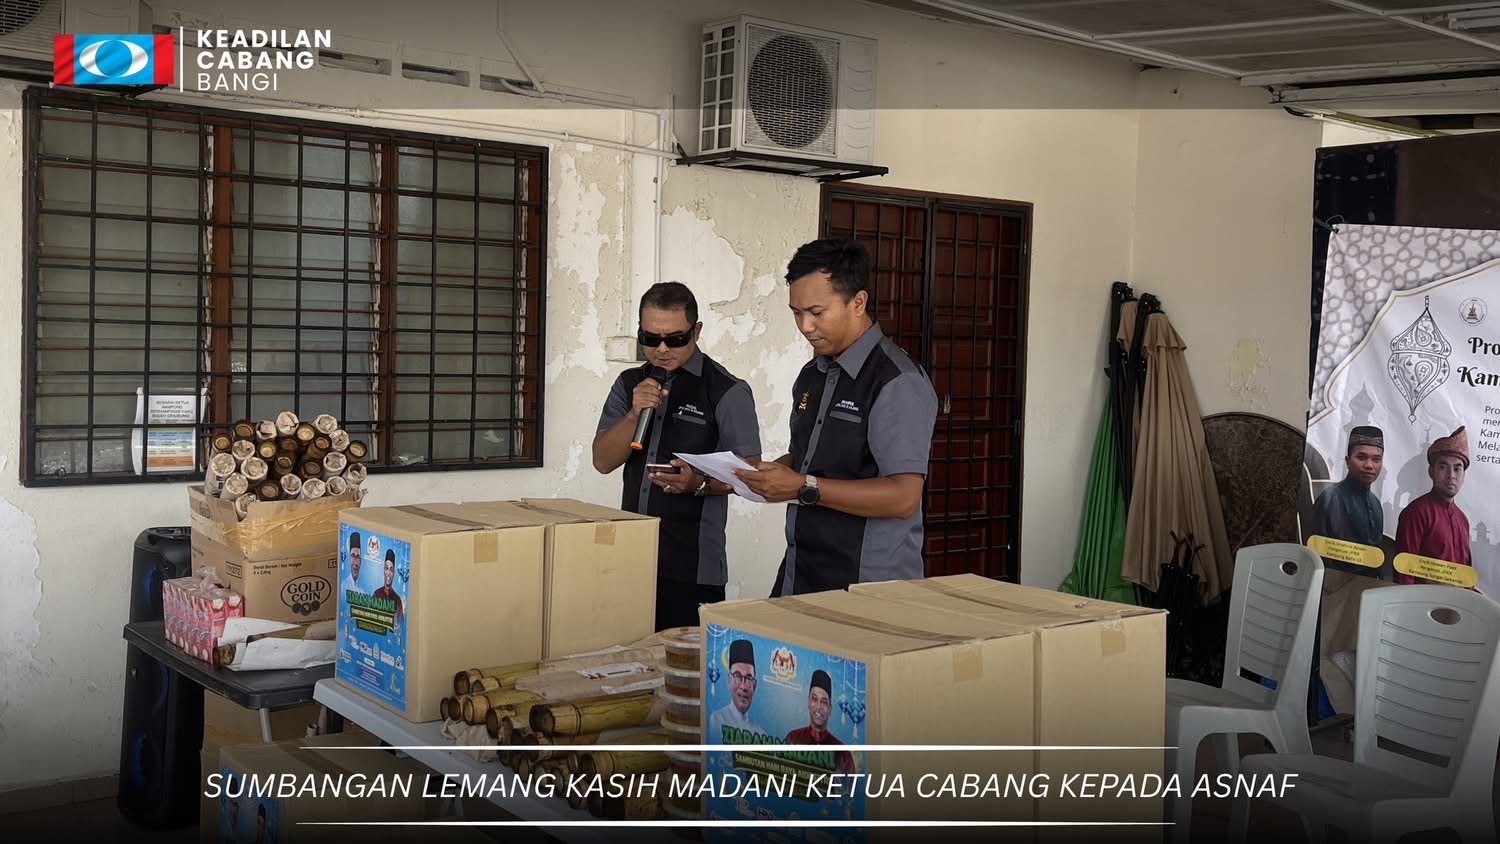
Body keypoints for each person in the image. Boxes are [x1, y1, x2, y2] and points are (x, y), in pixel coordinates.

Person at [736, 238, 939, 595]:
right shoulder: (812, 374)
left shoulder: (897, 381)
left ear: (858, 302)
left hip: (868, 585)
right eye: (796, 312)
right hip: (802, 571)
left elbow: (904, 497)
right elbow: (808, 459)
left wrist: (801, 486)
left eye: (817, 312)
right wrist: (750, 475)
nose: (805, 326)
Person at [594, 282, 762, 630]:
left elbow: (752, 475)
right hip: (633, 560)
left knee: (684, 660)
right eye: (650, 338)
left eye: (675, 339)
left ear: (696, 332)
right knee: (633, 655)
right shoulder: (629, 384)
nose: (662, 349)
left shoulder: (727, 391)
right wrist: (634, 414)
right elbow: (602, 461)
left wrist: (698, 484)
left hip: (692, 566)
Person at [1395, 426, 1474, 585]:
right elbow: (1403, 574)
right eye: (1443, 467)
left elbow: (1466, 576)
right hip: (1423, 599)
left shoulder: (1463, 520)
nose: (1451, 475)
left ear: (1464, 475)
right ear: (1431, 472)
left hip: (1458, 600)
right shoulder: (1416, 513)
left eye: (1457, 469)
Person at [1311, 425, 1385, 548]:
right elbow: (1315, 551)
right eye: (1361, 457)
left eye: (1376, 459)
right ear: (1347, 461)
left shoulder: (1376, 503)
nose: (1369, 465)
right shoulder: (1330, 499)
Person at [783, 669, 856, 774]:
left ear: (830, 710)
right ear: (808, 702)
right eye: (814, 699)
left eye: (824, 702)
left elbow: (851, 784)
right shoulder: (792, 738)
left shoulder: (843, 753)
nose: (818, 707)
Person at [709, 639, 767, 741]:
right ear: (729, 680)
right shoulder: (717, 720)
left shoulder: (761, 734)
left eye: (749, 678)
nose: (743, 687)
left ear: (754, 685)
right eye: (737, 676)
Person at [372, 549, 404, 623]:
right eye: (386, 568)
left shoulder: (397, 600)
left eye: (391, 569)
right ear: (384, 570)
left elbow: (401, 624)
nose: (388, 573)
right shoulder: (376, 594)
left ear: (394, 573)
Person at [340, 531, 364, 598]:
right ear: (349, 559)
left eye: (358, 557)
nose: (355, 563)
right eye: (353, 556)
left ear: (361, 561)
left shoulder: (362, 591)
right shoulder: (343, 587)